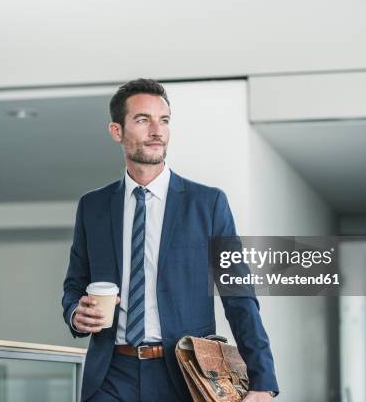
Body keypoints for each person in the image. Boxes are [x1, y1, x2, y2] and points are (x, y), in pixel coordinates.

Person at [62, 78, 279, 401]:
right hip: (111, 375)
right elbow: (75, 285)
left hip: (182, 376)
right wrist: (74, 314)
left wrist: (262, 381)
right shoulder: (93, 207)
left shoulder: (207, 204)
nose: (156, 130)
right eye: (142, 119)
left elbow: (239, 296)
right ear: (117, 131)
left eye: (163, 120)